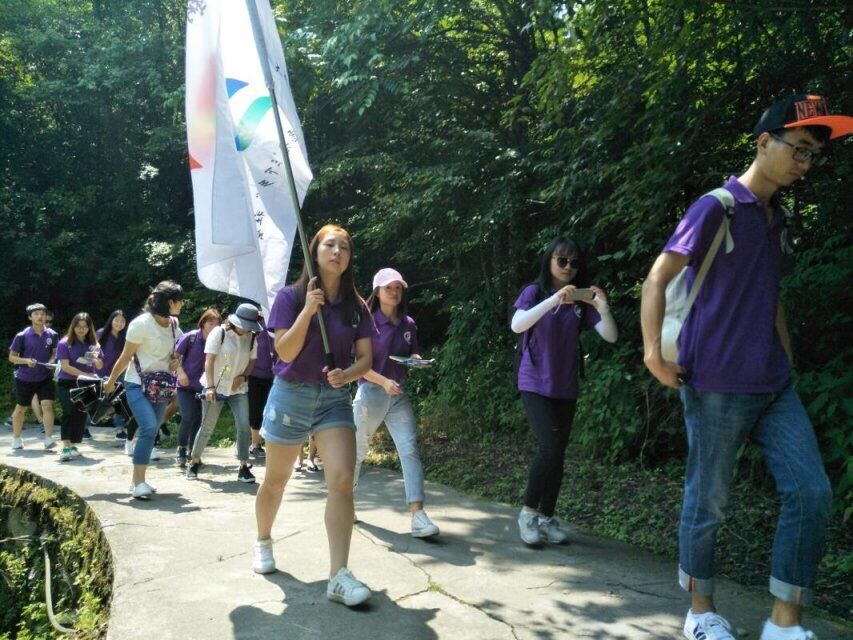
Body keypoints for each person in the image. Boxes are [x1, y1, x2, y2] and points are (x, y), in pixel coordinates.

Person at [640, 95, 850, 640]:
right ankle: (701, 612)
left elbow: (770, 295)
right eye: (798, 148)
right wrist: (652, 354)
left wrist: (787, 360)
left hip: (774, 385)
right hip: (715, 385)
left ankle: (783, 623)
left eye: (812, 155)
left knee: (811, 493)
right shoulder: (718, 207)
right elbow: (658, 278)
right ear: (763, 142)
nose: (804, 163)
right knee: (707, 503)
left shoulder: (778, 220)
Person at [253, 224, 375, 607]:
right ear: (314, 252)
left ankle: (338, 575)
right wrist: (308, 310)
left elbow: (366, 359)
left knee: (342, 481)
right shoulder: (291, 297)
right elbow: (285, 352)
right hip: (291, 393)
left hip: (333, 399)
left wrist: (347, 375)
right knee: (276, 480)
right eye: (329, 245)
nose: (337, 252)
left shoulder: (357, 306)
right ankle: (262, 540)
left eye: (344, 247)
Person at [511, 236, 617, 546]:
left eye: (574, 262)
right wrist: (554, 299)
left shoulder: (581, 302)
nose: (568, 267)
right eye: (562, 260)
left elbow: (610, 336)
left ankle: (546, 517)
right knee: (549, 447)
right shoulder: (534, 292)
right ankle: (527, 514)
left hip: (565, 385)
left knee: (558, 454)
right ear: (549, 261)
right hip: (534, 381)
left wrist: (603, 308)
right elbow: (518, 324)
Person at [353, 268, 439, 538]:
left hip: (398, 395)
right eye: (388, 287)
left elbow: (412, 352)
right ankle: (346, 503)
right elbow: (358, 366)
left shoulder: (408, 323)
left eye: (398, 288)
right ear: (377, 292)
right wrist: (383, 382)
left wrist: (416, 360)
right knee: (357, 451)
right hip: (370, 394)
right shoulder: (365, 323)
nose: (394, 292)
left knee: (409, 450)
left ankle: (418, 516)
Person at [103, 281, 184, 500]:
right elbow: (126, 356)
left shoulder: (174, 326)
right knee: (148, 426)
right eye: (180, 300)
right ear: (169, 302)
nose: (182, 304)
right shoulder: (141, 324)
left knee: (152, 430)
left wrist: (176, 362)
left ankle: (138, 481)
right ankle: (138, 483)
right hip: (136, 383)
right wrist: (111, 380)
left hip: (161, 386)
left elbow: (176, 354)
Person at [186, 304, 259, 483]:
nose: (247, 328)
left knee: (243, 425)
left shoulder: (251, 337)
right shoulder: (219, 333)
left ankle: (243, 466)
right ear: (236, 322)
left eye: (250, 325)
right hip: (216, 386)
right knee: (207, 426)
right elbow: (209, 361)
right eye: (245, 324)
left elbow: (252, 361)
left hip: (238, 389)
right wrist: (211, 387)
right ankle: (194, 462)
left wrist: (243, 376)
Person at [7, 303, 58, 451]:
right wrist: (26, 361)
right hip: (25, 378)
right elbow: (12, 357)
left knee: (47, 405)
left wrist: (52, 361)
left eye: (43, 313)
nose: (40, 316)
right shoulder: (22, 336)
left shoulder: (53, 335)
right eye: (36, 314)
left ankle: (48, 439)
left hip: (45, 377)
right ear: (30, 317)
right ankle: (16, 438)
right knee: (21, 408)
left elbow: (54, 353)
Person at [174, 308, 221, 467]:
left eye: (217, 324)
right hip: (186, 385)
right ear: (203, 322)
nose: (213, 326)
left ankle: (193, 452)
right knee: (188, 416)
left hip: (204, 387)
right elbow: (174, 358)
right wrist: (181, 373)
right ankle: (181, 449)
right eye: (210, 322)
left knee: (199, 419)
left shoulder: (219, 341)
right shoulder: (191, 337)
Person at [56, 313, 103, 461]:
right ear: (73, 326)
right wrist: (85, 374)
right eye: (78, 326)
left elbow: (100, 366)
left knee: (81, 413)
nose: (81, 329)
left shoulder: (93, 344)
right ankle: (65, 446)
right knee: (68, 411)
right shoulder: (64, 343)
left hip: (86, 384)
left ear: (89, 328)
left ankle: (73, 445)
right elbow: (65, 367)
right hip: (67, 382)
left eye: (85, 327)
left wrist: (96, 360)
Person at [97, 310, 128, 444]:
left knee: (119, 400)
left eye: (122, 321)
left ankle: (120, 430)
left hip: (118, 374)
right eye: (117, 320)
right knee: (96, 401)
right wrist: (96, 360)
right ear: (111, 320)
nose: (119, 323)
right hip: (100, 373)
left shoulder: (126, 337)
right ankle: (84, 428)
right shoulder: (101, 333)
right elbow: (92, 351)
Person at [247, 310, 275, 458]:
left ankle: (265, 443)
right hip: (253, 374)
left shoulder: (277, 322)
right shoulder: (254, 323)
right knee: (255, 409)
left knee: (269, 410)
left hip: (272, 374)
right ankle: (255, 444)